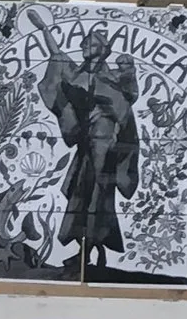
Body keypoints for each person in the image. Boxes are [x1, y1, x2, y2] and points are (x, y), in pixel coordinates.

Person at [36, 18, 142, 277]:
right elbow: (57, 56)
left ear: (101, 49)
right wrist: (44, 29)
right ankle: (87, 250)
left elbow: (126, 101)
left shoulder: (112, 77)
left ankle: (90, 251)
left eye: (89, 43)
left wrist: (129, 71)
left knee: (96, 194)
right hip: (87, 143)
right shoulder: (79, 74)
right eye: (84, 43)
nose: (83, 46)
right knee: (80, 193)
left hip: (105, 144)